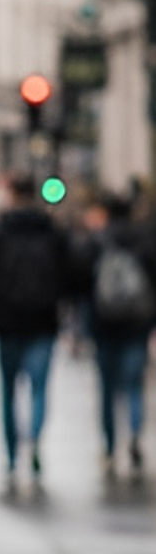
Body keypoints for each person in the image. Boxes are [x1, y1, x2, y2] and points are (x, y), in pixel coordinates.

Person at [0, 175, 71, 491]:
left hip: (7, 323)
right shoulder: (52, 231)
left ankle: (13, 454)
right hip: (44, 321)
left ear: (12, 195)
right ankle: (34, 440)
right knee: (39, 388)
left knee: (8, 390)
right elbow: (69, 274)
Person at [84, 192, 156, 475]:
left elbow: (82, 282)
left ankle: (110, 446)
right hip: (137, 324)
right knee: (135, 384)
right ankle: (135, 435)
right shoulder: (145, 241)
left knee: (106, 388)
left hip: (104, 325)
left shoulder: (97, 242)